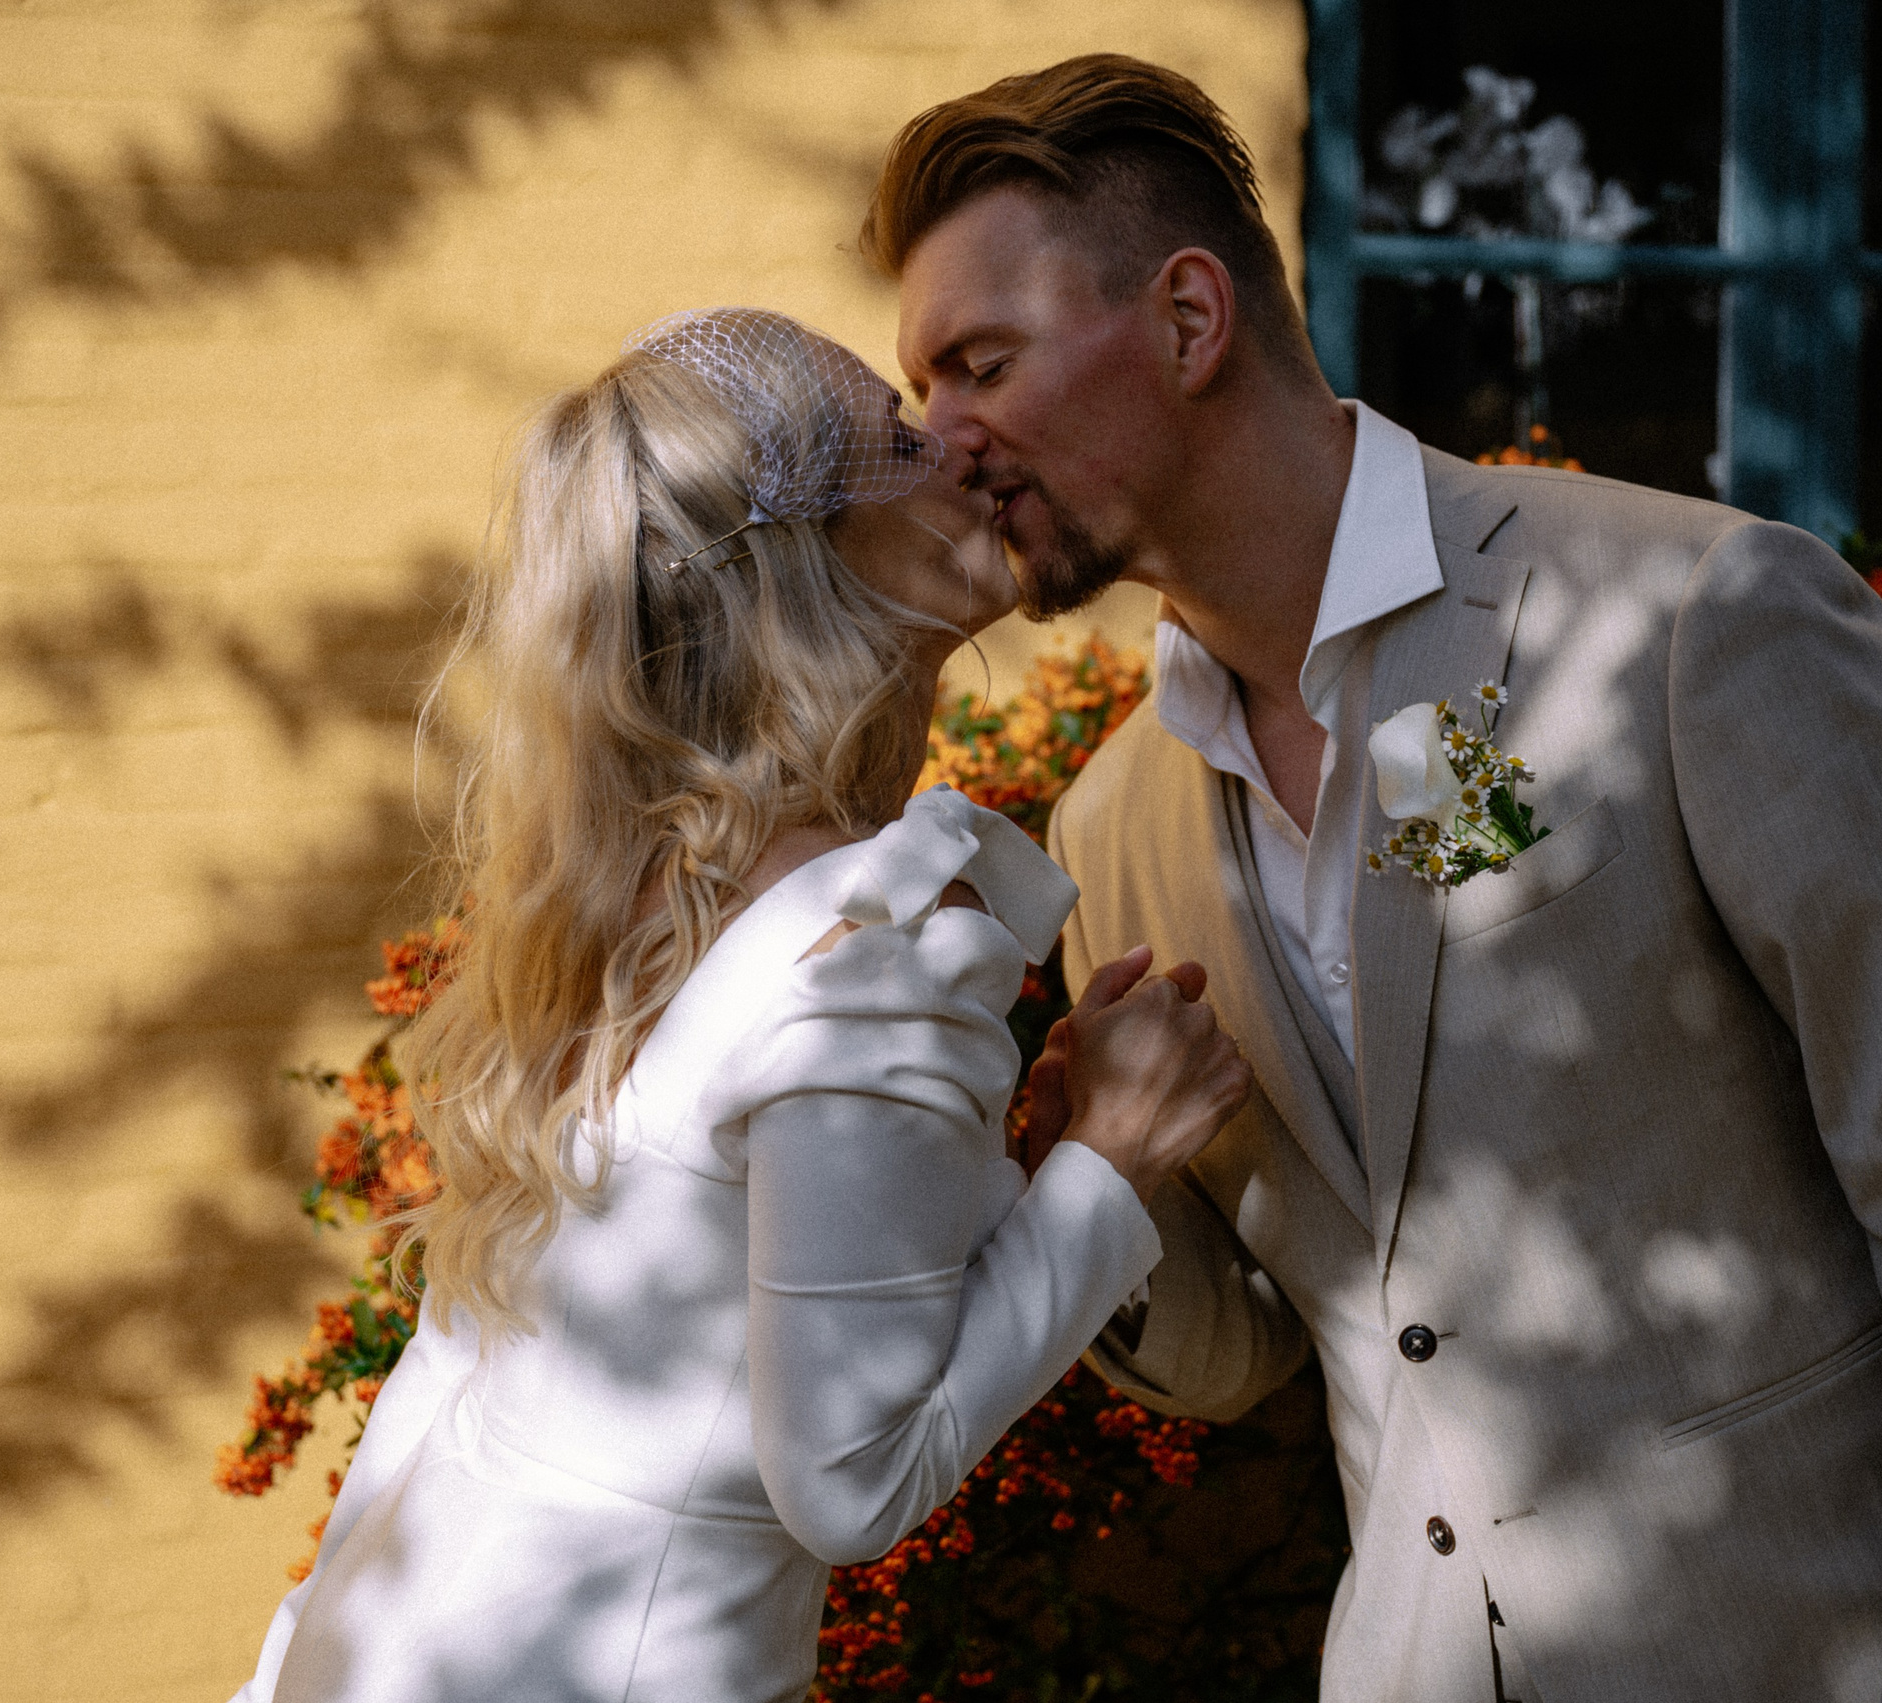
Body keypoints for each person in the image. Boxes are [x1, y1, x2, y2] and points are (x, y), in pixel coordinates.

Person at [871, 55, 1882, 1703]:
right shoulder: (1113, 828)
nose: (942, 443)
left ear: (1191, 321)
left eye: (980, 365)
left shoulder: (1699, 620)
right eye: (922, 394)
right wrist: (1056, 1162)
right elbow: (1275, 1341)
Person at [227, 307, 1252, 1703]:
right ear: (805, 558)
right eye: (897, 438)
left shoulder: (630, 892)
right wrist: (1115, 1159)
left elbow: (520, 1355)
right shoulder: (870, 941)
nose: (955, 443)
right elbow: (854, 1478)